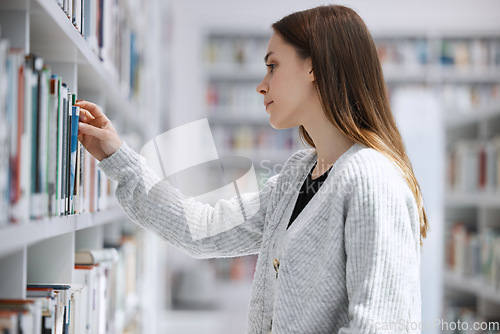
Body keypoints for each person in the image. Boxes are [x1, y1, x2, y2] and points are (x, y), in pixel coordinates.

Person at [76, 4, 428, 334]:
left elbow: (381, 327)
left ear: (314, 68)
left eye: (273, 66)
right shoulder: (298, 175)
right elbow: (204, 229)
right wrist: (117, 157)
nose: (262, 84)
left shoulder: (372, 178)